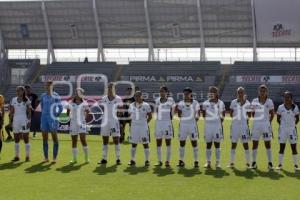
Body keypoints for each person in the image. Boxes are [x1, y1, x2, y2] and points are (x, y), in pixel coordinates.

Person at [98, 82, 123, 165]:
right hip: (105, 121)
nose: (110, 89)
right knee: (105, 140)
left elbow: (121, 111)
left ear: (115, 89)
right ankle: (104, 158)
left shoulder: (118, 99)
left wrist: (119, 114)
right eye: (108, 87)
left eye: (111, 87)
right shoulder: (104, 98)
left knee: (116, 139)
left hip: (114, 121)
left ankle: (118, 158)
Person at [250, 84, 275, 170]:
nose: (262, 92)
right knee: (255, 143)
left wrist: (268, 122)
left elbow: (272, 114)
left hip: (266, 125)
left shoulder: (270, 101)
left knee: (267, 144)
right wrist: (257, 119)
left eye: (264, 91)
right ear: (259, 91)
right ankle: (253, 162)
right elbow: (253, 113)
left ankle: (270, 163)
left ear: (266, 92)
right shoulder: (254, 101)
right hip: (256, 124)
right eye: (261, 91)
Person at [227, 87, 251, 169]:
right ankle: (231, 163)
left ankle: (248, 163)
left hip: (244, 126)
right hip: (235, 126)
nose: (240, 94)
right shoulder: (233, 102)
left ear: (244, 93)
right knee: (233, 144)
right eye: (239, 92)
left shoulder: (247, 103)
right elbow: (231, 113)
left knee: (245, 144)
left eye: (241, 92)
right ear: (237, 93)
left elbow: (249, 115)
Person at [175, 87, 200, 168]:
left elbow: (198, 113)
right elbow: (179, 115)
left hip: (192, 125)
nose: (185, 95)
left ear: (190, 94)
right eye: (184, 94)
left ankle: (196, 161)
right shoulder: (180, 103)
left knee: (194, 143)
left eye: (187, 94)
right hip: (183, 125)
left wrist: (196, 116)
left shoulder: (195, 103)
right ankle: (181, 161)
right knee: (182, 143)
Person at [202, 86, 225, 169]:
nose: (211, 93)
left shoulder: (221, 103)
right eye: (210, 91)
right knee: (208, 144)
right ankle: (208, 162)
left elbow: (223, 114)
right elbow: (204, 115)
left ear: (217, 93)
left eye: (213, 92)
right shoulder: (205, 103)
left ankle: (218, 162)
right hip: (208, 126)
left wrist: (218, 122)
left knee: (217, 144)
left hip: (217, 126)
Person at [65, 88, 90, 163]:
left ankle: (86, 158)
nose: (77, 94)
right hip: (73, 123)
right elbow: (67, 112)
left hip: (82, 123)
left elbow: (88, 111)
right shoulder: (70, 102)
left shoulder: (85, 103)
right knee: (74, 141)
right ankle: (74, 158)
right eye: (76, 92)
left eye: (79, 93)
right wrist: (70, 118)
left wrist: (84, 119)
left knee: (83, 139)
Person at [40, 81, 63, 163]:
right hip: (44, 118)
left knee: (54, 138)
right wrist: (44, 114)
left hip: (52, 119)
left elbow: (60, 107)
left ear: (52, 87)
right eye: (46, 85)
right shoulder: (43, 96)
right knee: (44, 138)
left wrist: (56, 115)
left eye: (49, 85)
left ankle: (54, 158)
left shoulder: (56, 96)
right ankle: (46, 158)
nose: (47, 87)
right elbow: (42, 106)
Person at [276, 91, 300, 171]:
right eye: (285, 97)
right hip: (282, 130)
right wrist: (283, 126)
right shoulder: (280, 107)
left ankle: (296, 165)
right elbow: (278, 119)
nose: (286, 98)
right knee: (282, 147)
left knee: (294, 147)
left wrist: (292, 126)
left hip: (292, 130)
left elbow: (297, 119)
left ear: (291, 98)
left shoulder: (295, 107)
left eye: (288, 97)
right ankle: (280, 165)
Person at [128, 91, 152, 166]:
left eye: (138, 96)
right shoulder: (131, 105)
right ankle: (132, 160)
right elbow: (130, 115)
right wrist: (131, 125)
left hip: (143, 127)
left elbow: (150, 116)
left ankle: (147, 160)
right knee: (133, 144)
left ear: (141, 96)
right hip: (134, 127)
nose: (137, 97)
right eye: (135, 96)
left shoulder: (146, 105)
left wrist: (145, 123)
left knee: (145, 143)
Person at [9, 86, 32, 161]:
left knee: (26, 138)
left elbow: (29, 112)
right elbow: (12, 112)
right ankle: (17, 156)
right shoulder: (13, 99)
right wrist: (10, 122)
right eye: (17, 91)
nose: (18, 92)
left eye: (19, 91)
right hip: (16, 120)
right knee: (16, 139)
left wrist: (29, 121)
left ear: (23, 91)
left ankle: (27, 156)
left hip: (24, 120)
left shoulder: (26, 100)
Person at [154, 86, 175, 167]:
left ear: (166, 92)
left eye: (162, 91)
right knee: (158, 142)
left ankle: (167, 161)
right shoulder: (157, 101)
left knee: (168, 142)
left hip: (167, 123)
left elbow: (173, 109)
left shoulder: (170, 100)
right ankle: (159, 161)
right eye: (160, 91)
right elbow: (156, 111)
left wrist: (171, 116)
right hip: (159, 124)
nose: (161, 93)